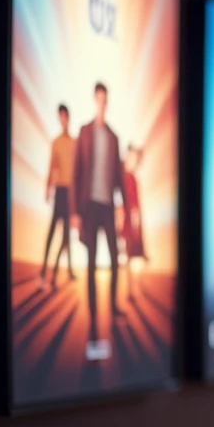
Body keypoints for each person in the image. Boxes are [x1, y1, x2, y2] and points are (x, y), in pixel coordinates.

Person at [73, 82, 127, 351]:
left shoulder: (114, 137)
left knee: (115, 261)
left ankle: (114, 306)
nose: (102, 104)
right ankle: (93, 317)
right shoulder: (84, 132)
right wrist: (74, 212)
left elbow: (118, 175)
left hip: (107, 206)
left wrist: (124, 207)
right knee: (92, 264)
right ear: (95, 100)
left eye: (106, 100)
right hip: (89, 206)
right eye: (100, 99)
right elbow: (76, 173)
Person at [40, 104, 76, 289]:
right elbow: (52, 167)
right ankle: (43, 271)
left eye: (65, 116)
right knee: (53, 232)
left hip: (70, 194)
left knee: (66, 237)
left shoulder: (73, 142)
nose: (63, 120)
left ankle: (54, 274)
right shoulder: (56, 143)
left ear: (68, 118)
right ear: (59, 119)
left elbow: (77, 170)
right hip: (60, 192)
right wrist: (48, 188)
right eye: (60, 117)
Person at [119, 145, 147, 303]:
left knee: (132, 257)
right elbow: (131, 205)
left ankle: (134, 288)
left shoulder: (130, 178)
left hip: (131, 223)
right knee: (130, 257)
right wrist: (135, 225)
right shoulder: (128, 178)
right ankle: (131, 289)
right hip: (130, 224)